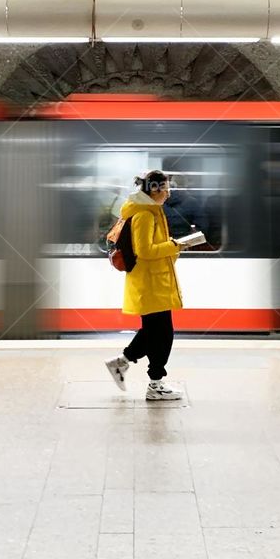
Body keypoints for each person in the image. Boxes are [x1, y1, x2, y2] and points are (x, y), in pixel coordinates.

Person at [105, 170, 184, 401]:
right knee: (162, 333)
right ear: (156, 190)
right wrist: (175, 245)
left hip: (154, 281)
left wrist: (173, 248)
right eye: (167, 189)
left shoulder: (150, 211)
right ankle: (155, 383)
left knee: (154, 332)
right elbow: (145, 251)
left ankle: (123, 364)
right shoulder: (145, 215)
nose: (168, 194)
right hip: (150, 283)